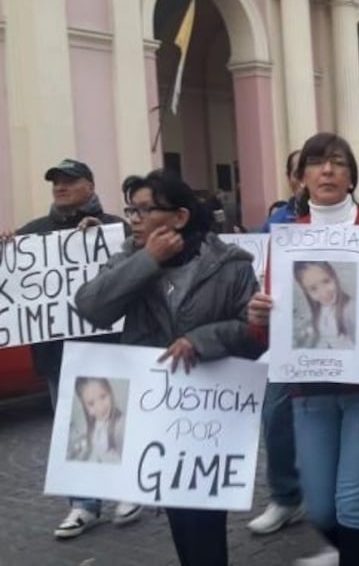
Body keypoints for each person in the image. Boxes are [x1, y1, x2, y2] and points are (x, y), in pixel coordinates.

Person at [74, 168, 265, 566]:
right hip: (155, 410)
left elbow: (254, 331)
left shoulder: (230, 264)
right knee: (179, 514)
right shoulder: (130, 256)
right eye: (131, 211)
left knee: (204, 519)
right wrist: (147, 261)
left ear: (179, 217)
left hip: (208, 411)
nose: (136, 220)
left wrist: (202, 340)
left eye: (146, 210)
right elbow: (92, 307)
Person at [247, 133, 359, 566]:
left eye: (338, 162)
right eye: (317, 162)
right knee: (322, 509)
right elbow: (272, 334)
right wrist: (259, 318)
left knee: (352, 506)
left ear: (351, 177)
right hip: (310, 391)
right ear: (301, 176)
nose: (327, 170)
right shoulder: (286, 239)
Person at [0, 158, 139, 538]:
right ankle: (83, 505)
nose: (60, 187)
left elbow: (138, 261)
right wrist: (5, 249)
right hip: (58, 352)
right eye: (56, 182)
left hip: (107, 343)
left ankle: (128, 491)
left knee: (115, 417)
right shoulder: (32, 235)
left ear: (90, 187)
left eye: (69, 181)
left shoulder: (114, 228)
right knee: (71, 428)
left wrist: (108, 238)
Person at [248, 147, 308, 538]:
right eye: (303, 170)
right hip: (288, 336)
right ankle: (286, 496)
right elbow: (256, 272)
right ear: (292, 178)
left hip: (340, 340)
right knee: (276, 416)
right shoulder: (275, 223)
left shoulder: (358, 222)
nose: (315, 176)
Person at [294, 262, 356, 349]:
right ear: (307, 292)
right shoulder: (321, 309)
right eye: (313, 288)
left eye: (326, 281)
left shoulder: (351, 310)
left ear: (334, 277)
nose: (323, 292)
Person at [68, 377, 125, 464]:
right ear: (85, 407)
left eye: (103, 396)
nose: (100, 408)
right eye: (91, 403)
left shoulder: (121, 427)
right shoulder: (95, 424)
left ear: (110, 392)